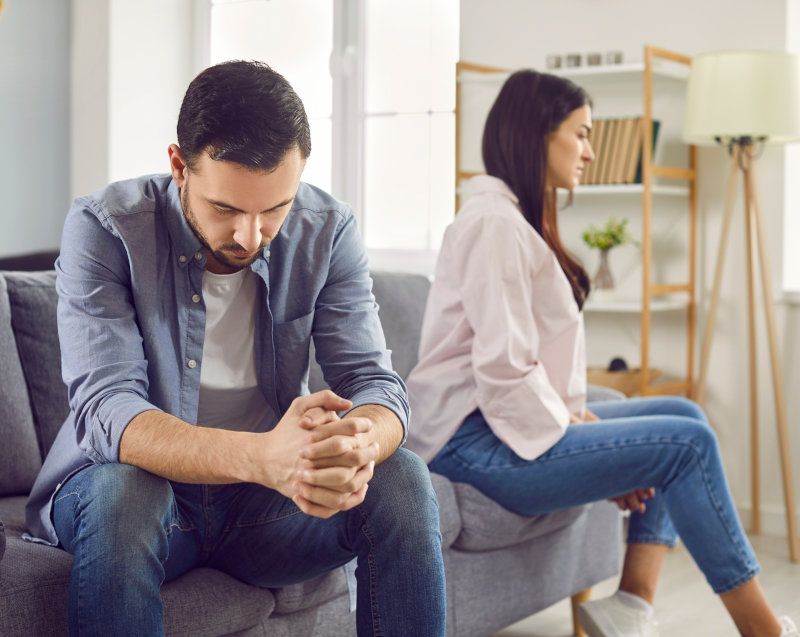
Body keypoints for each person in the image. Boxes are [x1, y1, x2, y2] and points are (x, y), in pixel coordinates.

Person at [24, 60, 445, 637]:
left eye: (275, 209)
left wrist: (360, 442)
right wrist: (264, 457)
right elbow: (108, 409)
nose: (251, 236)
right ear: (179, 165)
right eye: (226, 209)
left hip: (261, 510)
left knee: (402, 477)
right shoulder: (107, 228)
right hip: (139, 500)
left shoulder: (329, 229)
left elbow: (376, 384)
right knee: (126, 492)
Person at [405, 69, 797, 637]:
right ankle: (765, 631)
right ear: (540, 133)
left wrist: (584, 428)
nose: (590, 152)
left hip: (496, 426)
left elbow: (527, 368)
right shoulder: (493, 225)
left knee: (685, 414)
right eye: (582, 134)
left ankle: (629, 608)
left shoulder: (515, 220)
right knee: (685, 444)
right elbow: (504, 370)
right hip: (470, 444)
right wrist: (584, 444)